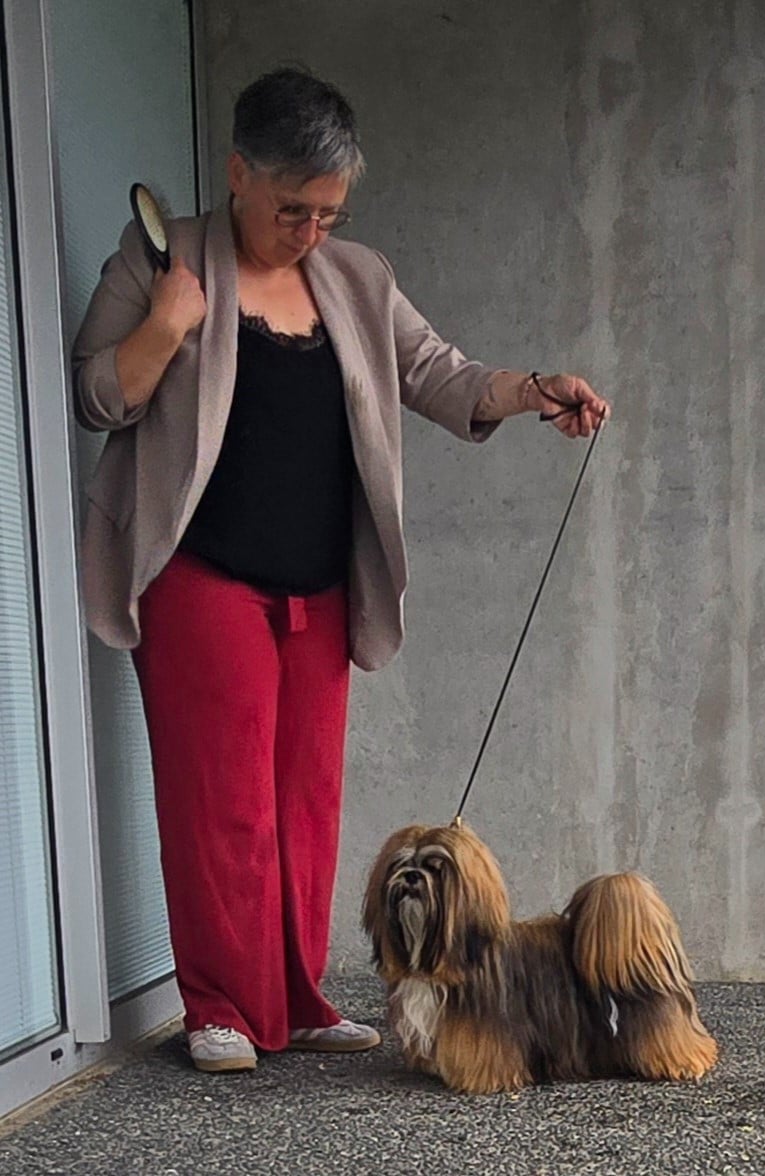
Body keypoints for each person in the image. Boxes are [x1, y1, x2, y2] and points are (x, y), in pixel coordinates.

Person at [72, 67, 610, 1074]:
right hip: (201, 574)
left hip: (317, 582)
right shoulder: (161, 261)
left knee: (306, 802)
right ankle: (222, 1006)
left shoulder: (356, 277)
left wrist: (534, 389)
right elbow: (99, 397)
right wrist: (166, 326)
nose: (310, 231)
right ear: (239, 173)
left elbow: (436, 371)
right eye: (293, 209)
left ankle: (298, 997)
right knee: (220, 802)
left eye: (329, 212)